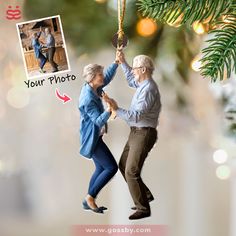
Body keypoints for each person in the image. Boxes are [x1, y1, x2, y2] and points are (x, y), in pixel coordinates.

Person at [107, 51, 161, 220]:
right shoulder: (142, 84)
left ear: (144, 70)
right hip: (136, 131)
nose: (134, 71)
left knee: (131, 171)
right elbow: (131, 79)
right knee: (123, 165)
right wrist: (123, 62)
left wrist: (116, 110)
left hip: (143, 133)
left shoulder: (148, 90)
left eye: (136, 69)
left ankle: (143, 208)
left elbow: (137, 116)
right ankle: (144, 195)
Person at [78, 56, 119, 214]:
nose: (103, 77)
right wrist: (109, 109)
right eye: (100, 75)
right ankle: (90, 197)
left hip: (95, 135)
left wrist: (115, 63)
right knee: (111, 167)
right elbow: (97, 121)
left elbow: (106, 78)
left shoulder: (94, 87)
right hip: (92, 137)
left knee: (100, 167)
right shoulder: (88, 99)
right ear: (93, 78)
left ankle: (87, 200)